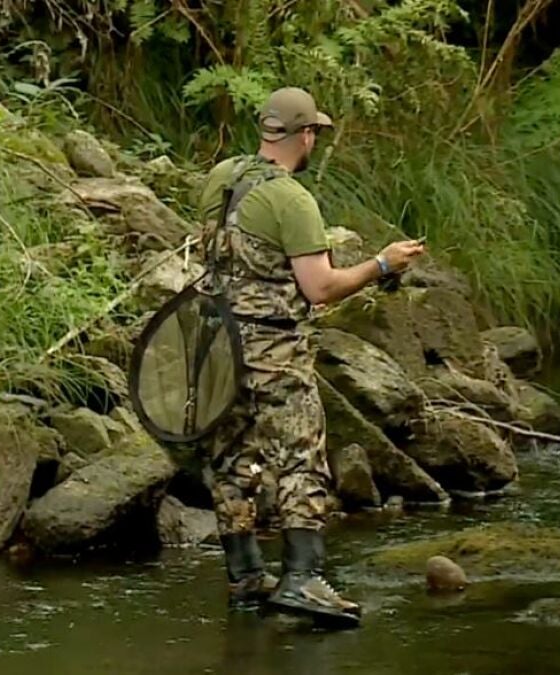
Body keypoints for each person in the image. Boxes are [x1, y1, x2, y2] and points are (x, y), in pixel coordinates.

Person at [195, 87, 425, 624]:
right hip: (272, 351)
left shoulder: (222, 177)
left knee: (231, 458)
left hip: (215, 346)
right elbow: (319, 288)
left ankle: (246, 577)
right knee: (301, 456)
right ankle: (302, 579)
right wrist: (382, 265)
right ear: (306, 135)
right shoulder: (292, 200)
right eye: (315, 133)